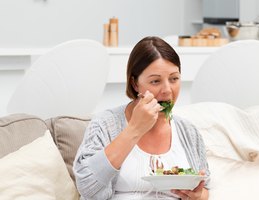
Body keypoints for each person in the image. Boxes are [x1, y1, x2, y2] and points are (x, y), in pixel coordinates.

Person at [73, 36, 210, 200]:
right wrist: (134, 129)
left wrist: (198, 196)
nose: (167, 90)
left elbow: (205, 188)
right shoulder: (105, 124)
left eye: (174, 78)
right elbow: (88, 189)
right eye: (155, 81)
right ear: (135, 83)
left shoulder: (188, 132)